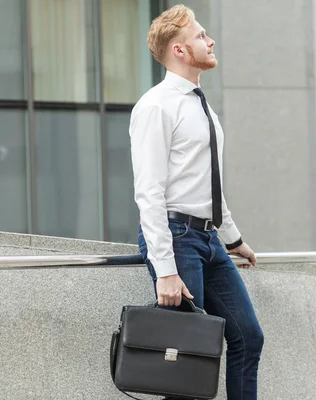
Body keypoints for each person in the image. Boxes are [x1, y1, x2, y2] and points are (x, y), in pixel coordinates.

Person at [129, 4, 264, 400]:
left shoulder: (200, 105)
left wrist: (233, 239)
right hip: (176, 238)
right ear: (180, 51)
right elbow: (148, 192)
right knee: (186, 358)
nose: (211, 40)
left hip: (208, 240)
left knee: (248, 338)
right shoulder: (156, 106)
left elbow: (209, 186)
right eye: (201, 36)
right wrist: (165, 268)